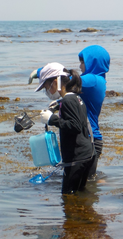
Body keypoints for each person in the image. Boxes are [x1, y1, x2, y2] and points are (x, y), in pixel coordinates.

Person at [29, 45, 110, 178]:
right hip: (87, 136)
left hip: (90, 138)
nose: (80, 66)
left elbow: (65, 78)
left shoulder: (93, 80)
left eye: (83, 62)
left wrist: (40, 72)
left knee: (85, 182)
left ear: (94, 61)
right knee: (88, 180)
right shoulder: (93, 81)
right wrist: (59, 103)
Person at [35, 63, 95, 194]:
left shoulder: (68, 101)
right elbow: (79, 121)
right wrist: (58, 105)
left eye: (47, 87)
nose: (47, 92)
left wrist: (52, 119)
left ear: (56, 82)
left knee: (68, 196)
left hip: (76, 158)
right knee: (80, 194)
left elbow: (75, 126)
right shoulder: (75, 98)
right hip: (85, 154)